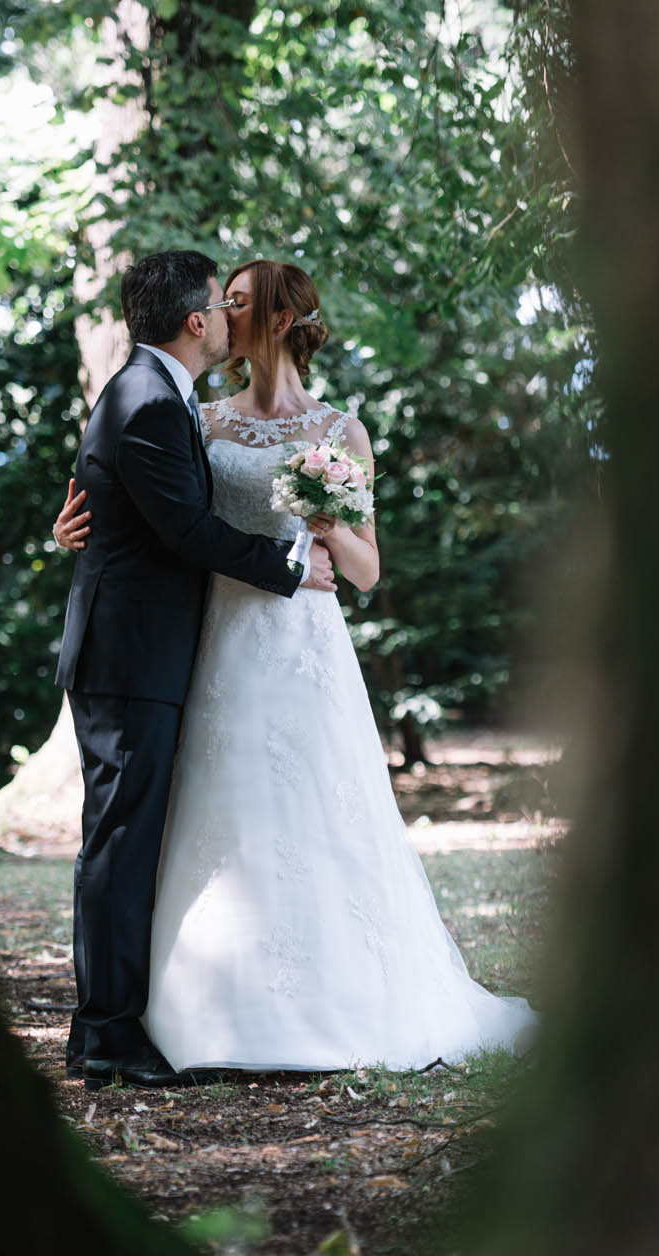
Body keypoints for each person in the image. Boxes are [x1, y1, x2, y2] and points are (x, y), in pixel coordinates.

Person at [54, 258, 534, 1073]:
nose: (223, 316)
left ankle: (327, 998)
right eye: (221, 301)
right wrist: (72, 529)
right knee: (201, 816)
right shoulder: (196, 416)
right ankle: (174, 1009)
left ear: (277, 320)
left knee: (317, 814)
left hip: (304, 647)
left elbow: (366, 569)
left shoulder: (342, 433)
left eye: (238, 303)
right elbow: (142, 500)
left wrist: (325, 522)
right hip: (211, 640)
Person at [53, 250, 338, 1090]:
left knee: (130, 837)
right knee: (118, 841)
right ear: (194, 321)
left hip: (145, 646)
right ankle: (105, 1033)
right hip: (129, 652)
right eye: (220, 305)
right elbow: (182, 527)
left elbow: (121, 503)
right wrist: (288, 565)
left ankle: (109, 1025)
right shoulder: (147, 400)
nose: (225, 317)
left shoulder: (155, 396)